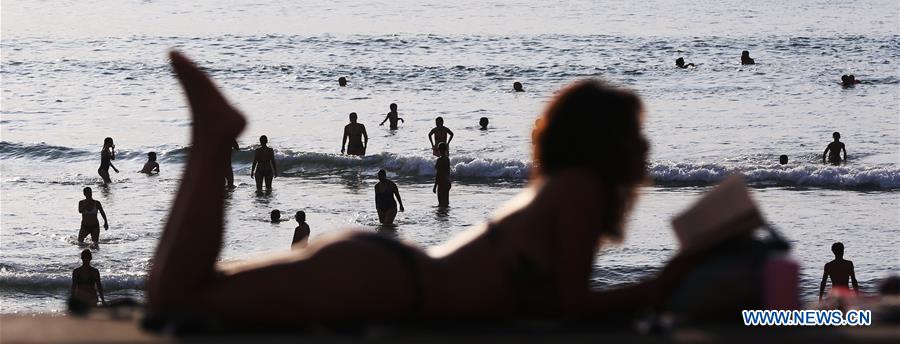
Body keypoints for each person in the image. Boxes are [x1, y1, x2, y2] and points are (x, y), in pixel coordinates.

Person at [147, 52, 693, 325]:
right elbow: (574, 309)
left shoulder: (563, 191)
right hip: (386, 282)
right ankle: (211, 135)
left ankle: (210, 134)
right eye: (633, 135)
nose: (644, 148)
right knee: (178, 302)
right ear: (603, 143)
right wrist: (661, 287)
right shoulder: (579, 191)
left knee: (182, 298)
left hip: (382, 272)